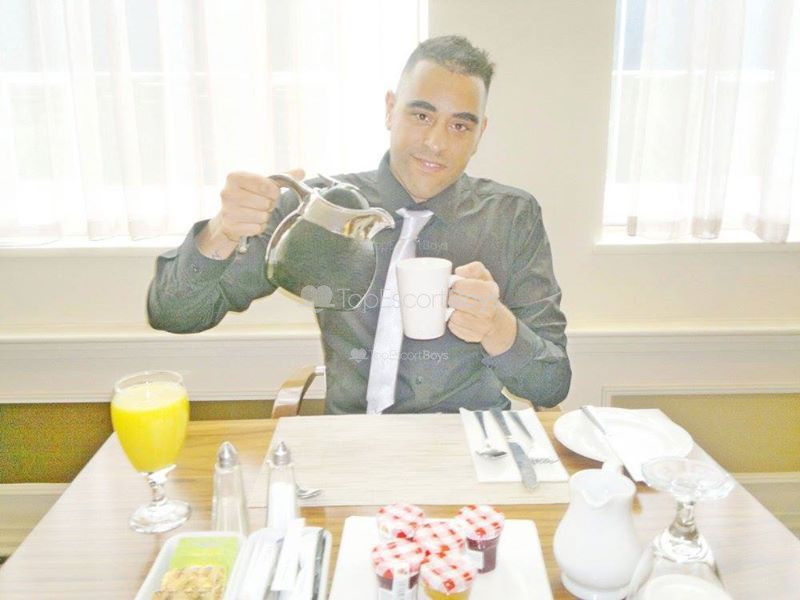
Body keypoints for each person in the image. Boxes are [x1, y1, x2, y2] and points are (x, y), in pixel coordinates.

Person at [148, 35, 570, 414]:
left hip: (469, 445)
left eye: (460, 126)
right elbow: (173, 314)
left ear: (480, 134)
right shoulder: (322, 209)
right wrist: (221, 232)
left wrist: (497, 327)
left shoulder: (512, 217)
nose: (436, 143)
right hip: (349, 442)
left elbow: (552, 386)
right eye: (421, 116)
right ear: (390, 110)